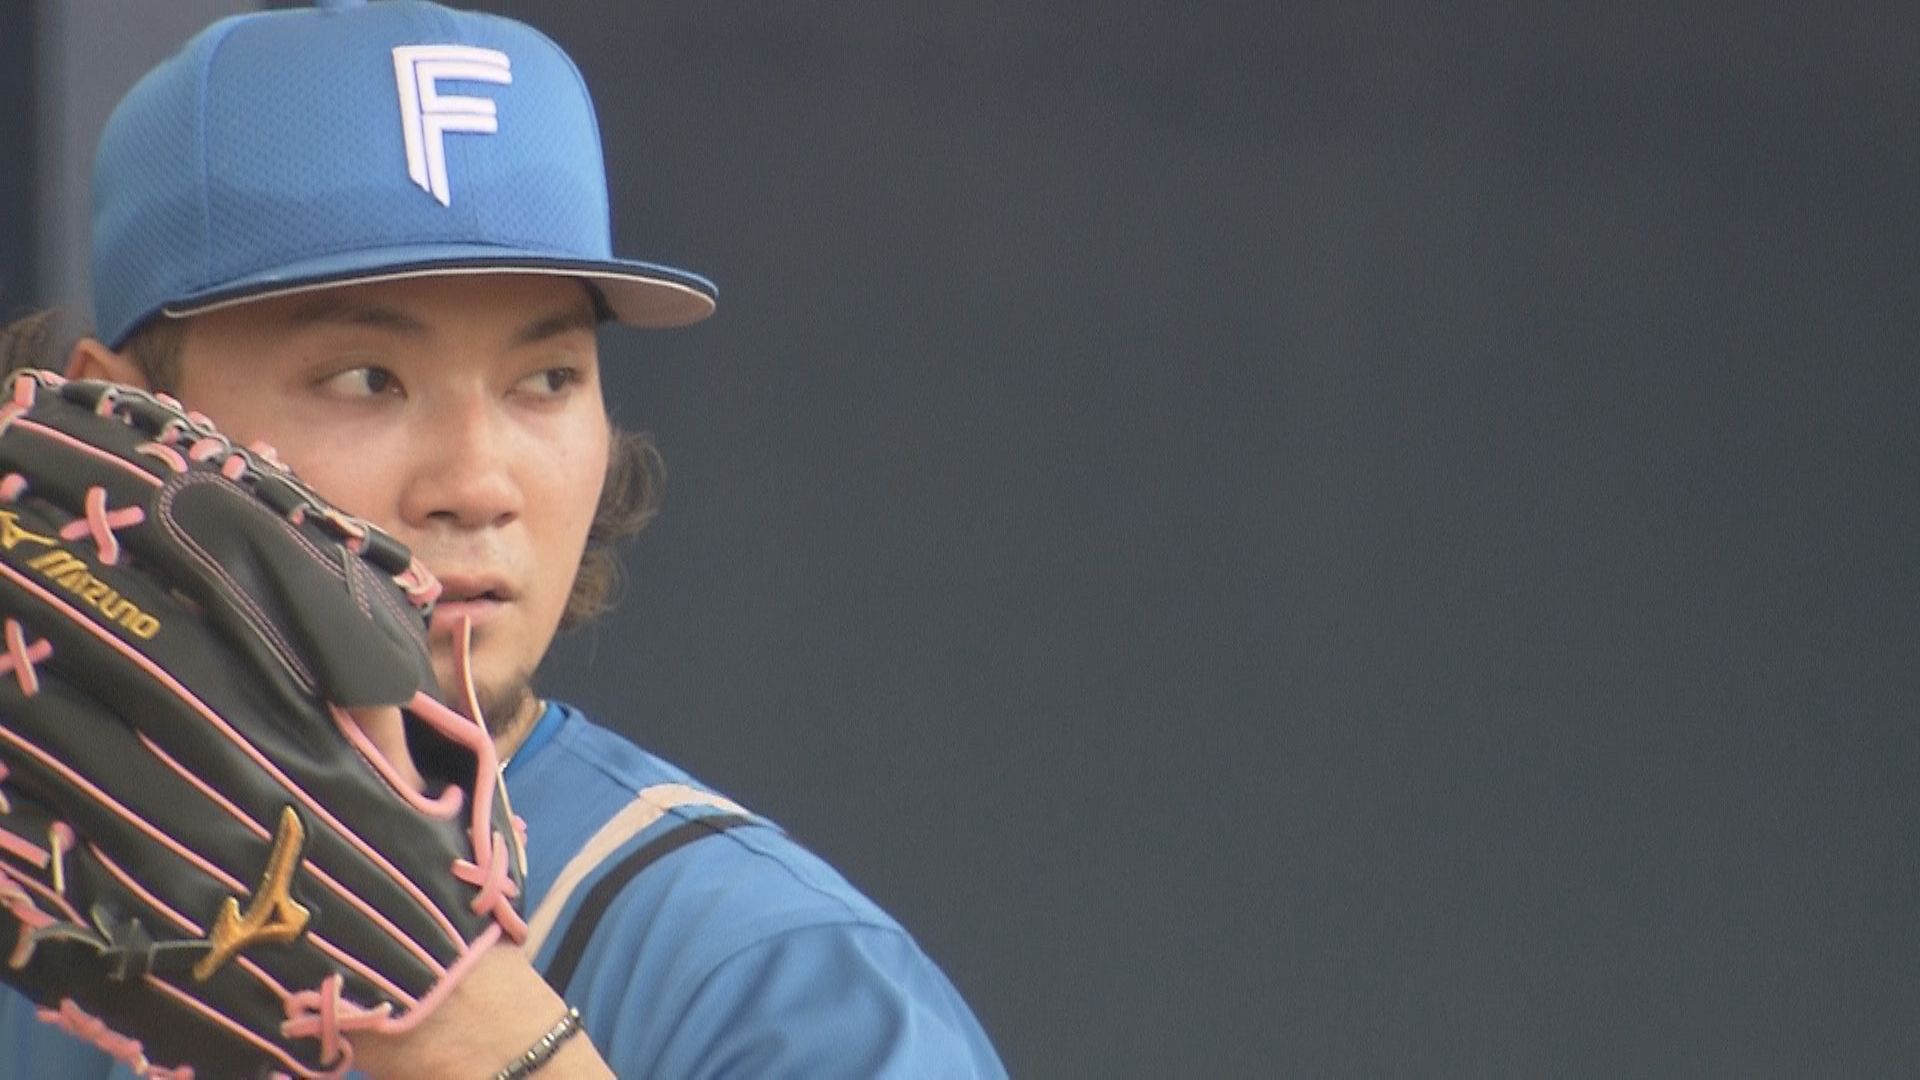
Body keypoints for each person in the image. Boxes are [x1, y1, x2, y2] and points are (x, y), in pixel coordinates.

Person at [0, 2, 1005, 1077]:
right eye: (367, 379)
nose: (477, 485)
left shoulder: (781, 987)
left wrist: (483, 1043)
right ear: (120, 418)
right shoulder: (32, 873)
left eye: (547, 379)